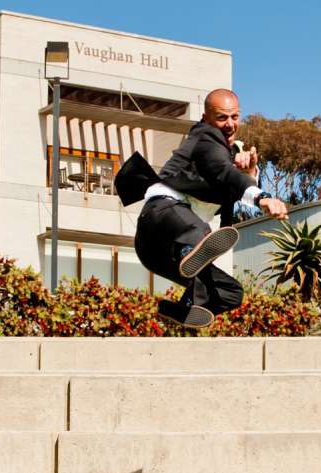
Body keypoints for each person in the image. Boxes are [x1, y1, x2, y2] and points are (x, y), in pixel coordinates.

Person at [113, 88, 286, 331]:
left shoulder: (226, 152)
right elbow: (223, 171)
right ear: (206, 118)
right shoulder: (206, 137)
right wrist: (262, 198)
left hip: (154, 254)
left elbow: (229, 180)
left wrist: (248, 176)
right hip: (163, 214)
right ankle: (189, 251)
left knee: (230, 293)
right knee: (198, 230)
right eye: (222, 117)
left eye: (235, 117)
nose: (229, 124)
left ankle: (183, 307)